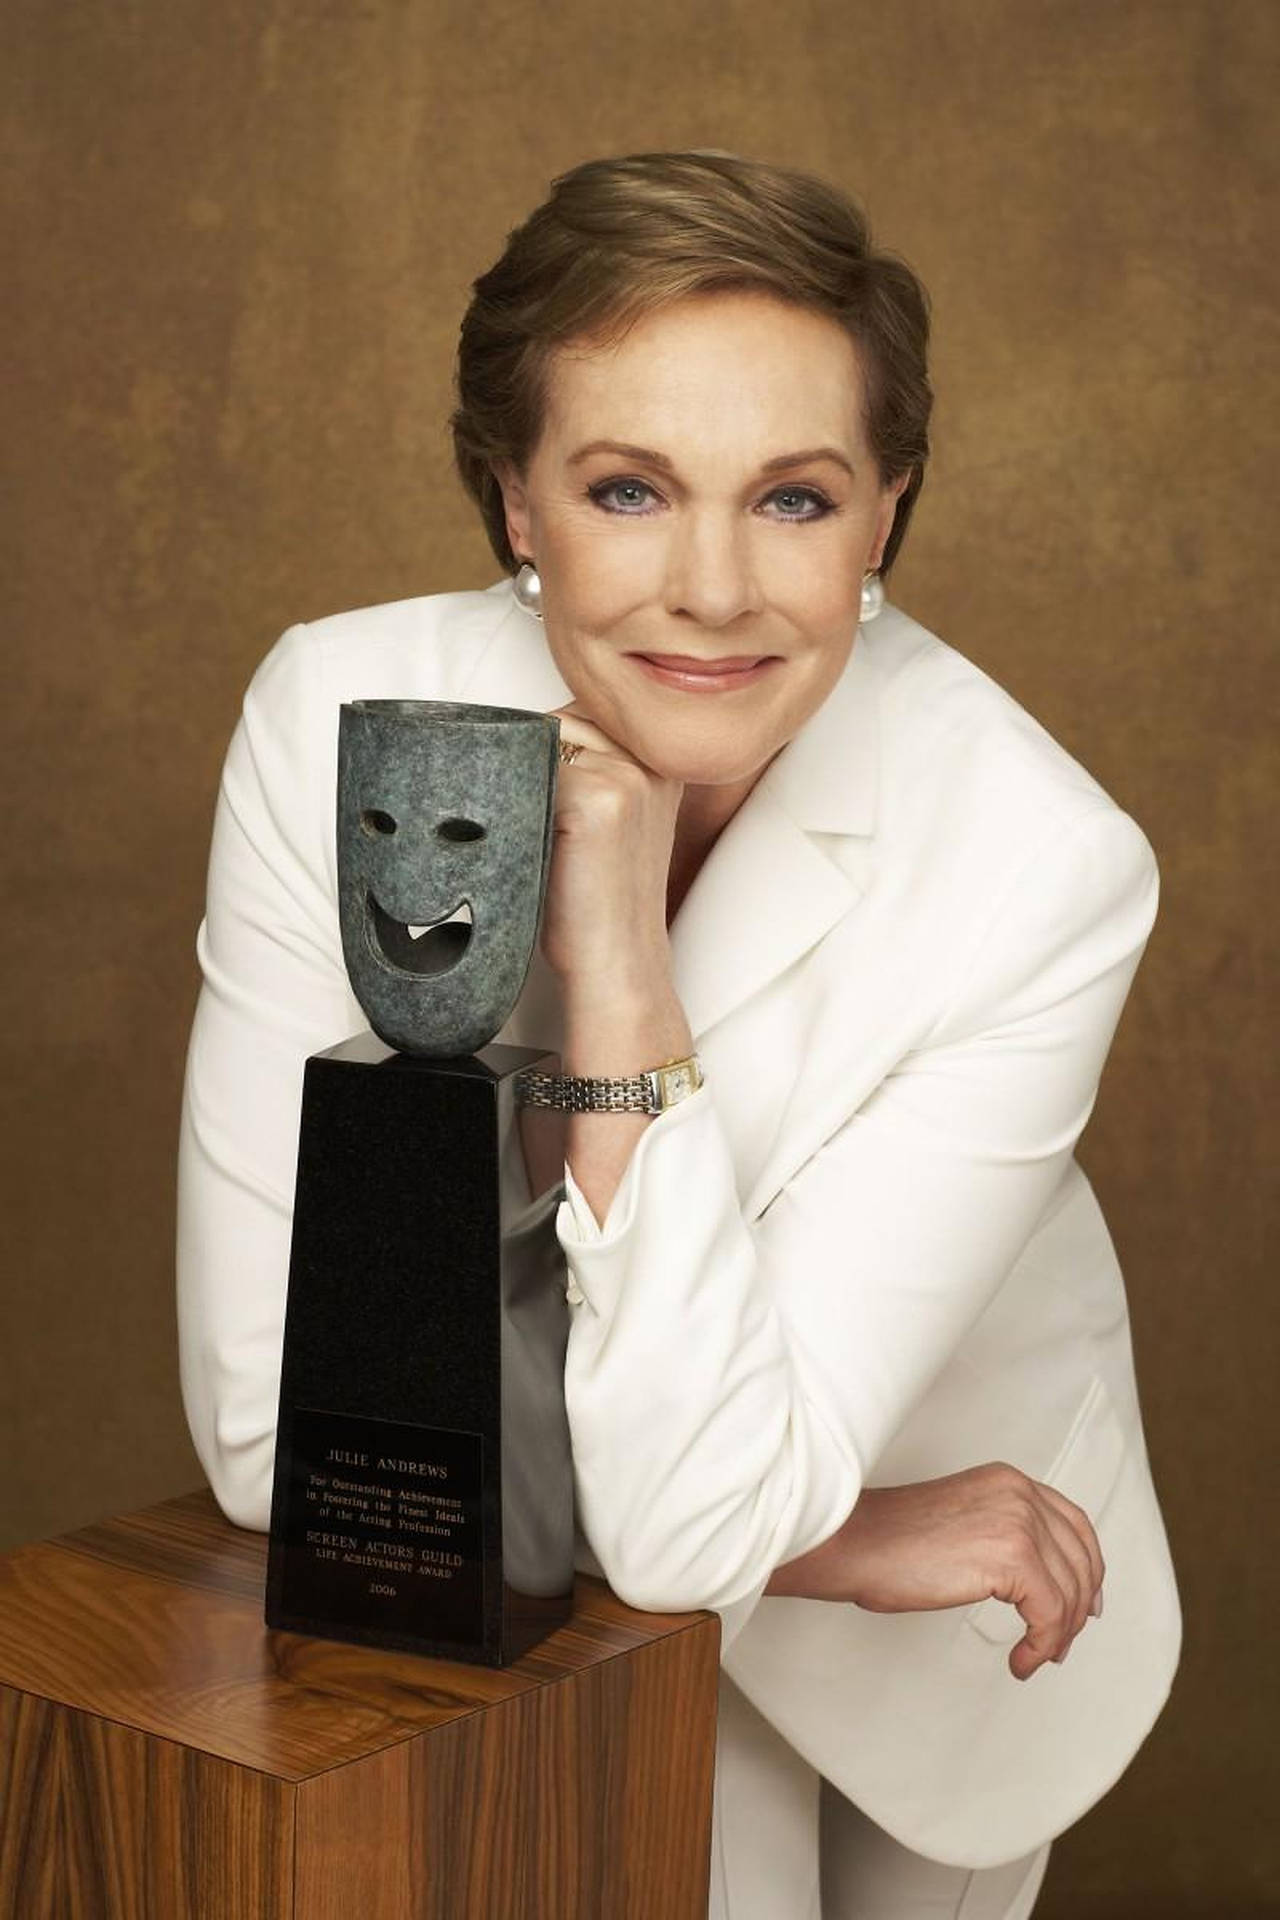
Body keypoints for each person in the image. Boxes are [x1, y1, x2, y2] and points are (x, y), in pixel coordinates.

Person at [177, 151, 1180, 1918]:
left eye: (793, 501)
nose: (711, 589)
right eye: (629, 487)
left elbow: (680, 1515)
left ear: (885, 517)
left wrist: (621, 965)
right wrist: (842, 1535)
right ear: (515, 503)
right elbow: (283, 1435)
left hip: (952, 1646)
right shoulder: (341, 721)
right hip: (791, 1549)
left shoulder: (1042, 862)